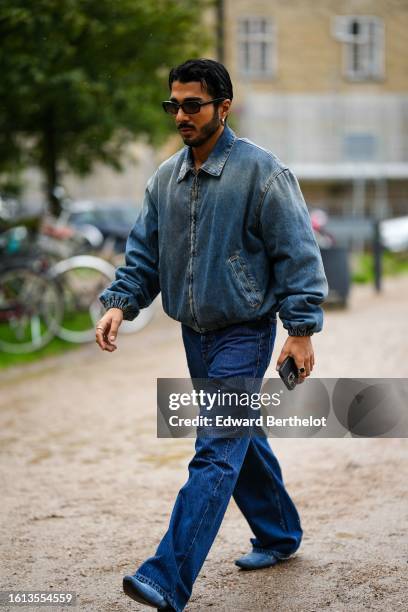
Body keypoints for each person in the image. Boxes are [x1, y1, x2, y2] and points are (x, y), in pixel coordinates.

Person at [96, 58, 328, 612]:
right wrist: (118, 304)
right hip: (194, 333)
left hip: (245, 331)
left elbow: (297, 252)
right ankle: (278, 535)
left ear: (224, 107)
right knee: (238, 440)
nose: (180, 114)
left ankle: (166, 577)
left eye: (192, 104)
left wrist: (300, 330)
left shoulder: (262, 173)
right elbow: (144, 256)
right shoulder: (164, 179)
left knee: (216, 450)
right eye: (173, 104)